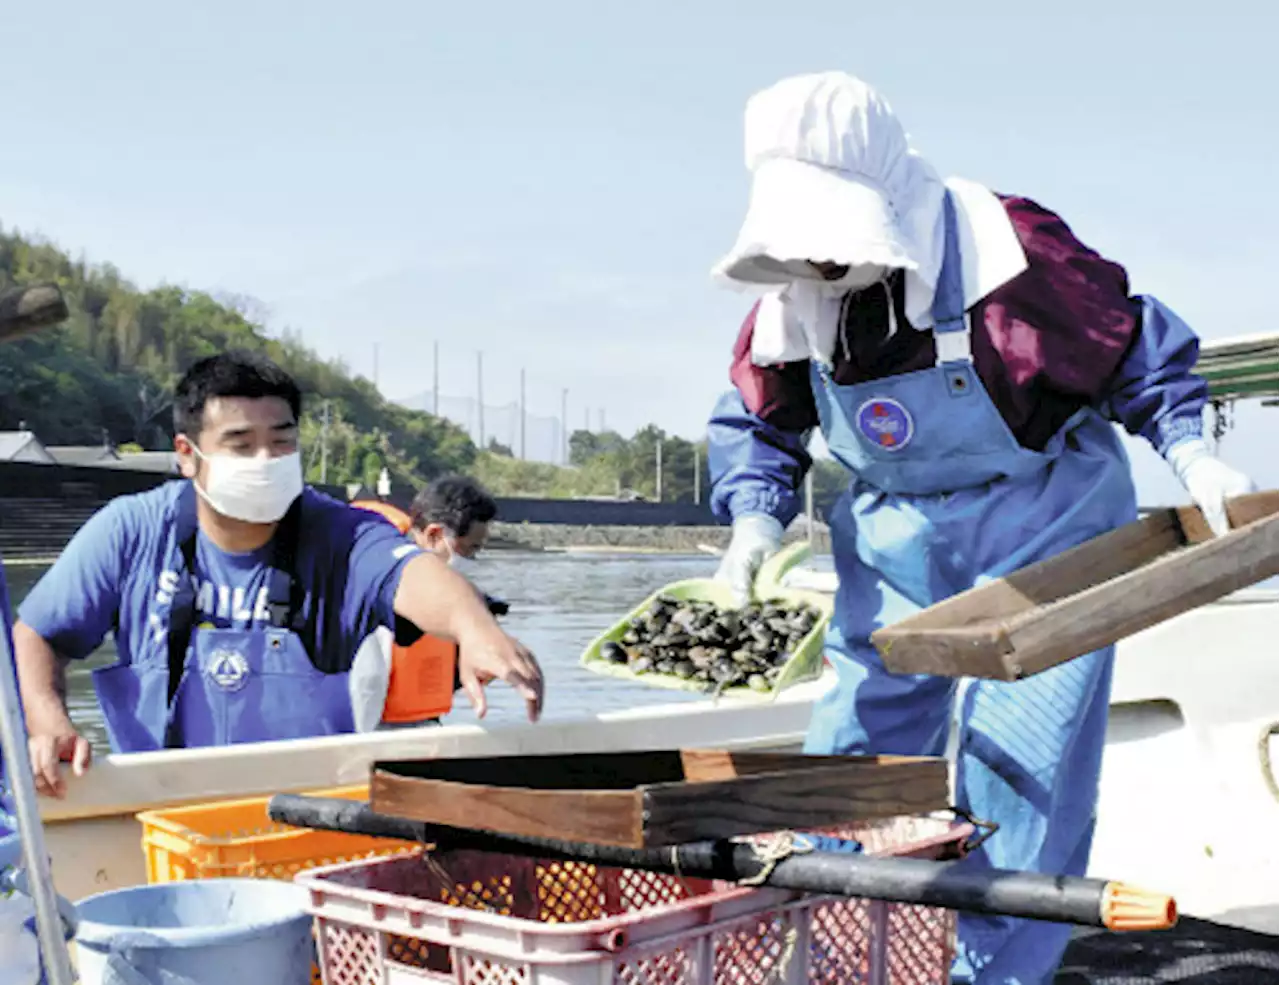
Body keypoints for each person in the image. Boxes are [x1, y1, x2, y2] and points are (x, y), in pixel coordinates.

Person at [704, 72, 1255, 984]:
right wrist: (755, 519)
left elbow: (1130, 348)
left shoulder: (1009, 251)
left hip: (1044, 520)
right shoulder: (792, 300)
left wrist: (1191, 449)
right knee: (853, 760)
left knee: (1020, 767)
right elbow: (762, 419)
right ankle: (852, 958)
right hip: (890, 540)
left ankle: (995, 972)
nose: (826, 267)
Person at [14, 350, 543, 798]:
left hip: (309, 812)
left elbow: (414, 575)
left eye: (282, 442)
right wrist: (47, 718)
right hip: (159, 813)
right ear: (187, 455)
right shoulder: (130, 532)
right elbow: (37, 631)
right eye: (241, 445)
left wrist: (475, 629)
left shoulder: (340, 535)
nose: (265, 460)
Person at [349, 476, 506, 731]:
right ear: (434, 535)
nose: (471, 560)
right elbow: (364, 685)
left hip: (423, 725)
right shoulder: (380, 589)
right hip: (375, 733)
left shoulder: (451, 598)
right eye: (468, 549)